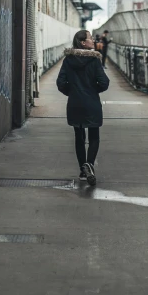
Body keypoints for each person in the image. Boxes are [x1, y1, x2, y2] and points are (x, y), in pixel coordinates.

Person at [56, 29, 110, 185]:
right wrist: (92, 91)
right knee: (94, 137)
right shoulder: (94, 61)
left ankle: (82, 170)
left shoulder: (68, 60)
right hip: (91, 103)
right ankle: (89, 164)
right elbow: (104, 83)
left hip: (74, 103)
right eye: (90, 38)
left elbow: (60, 83)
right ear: (83, 43)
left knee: (79, 137)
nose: (93, 41)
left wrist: (73, 92)